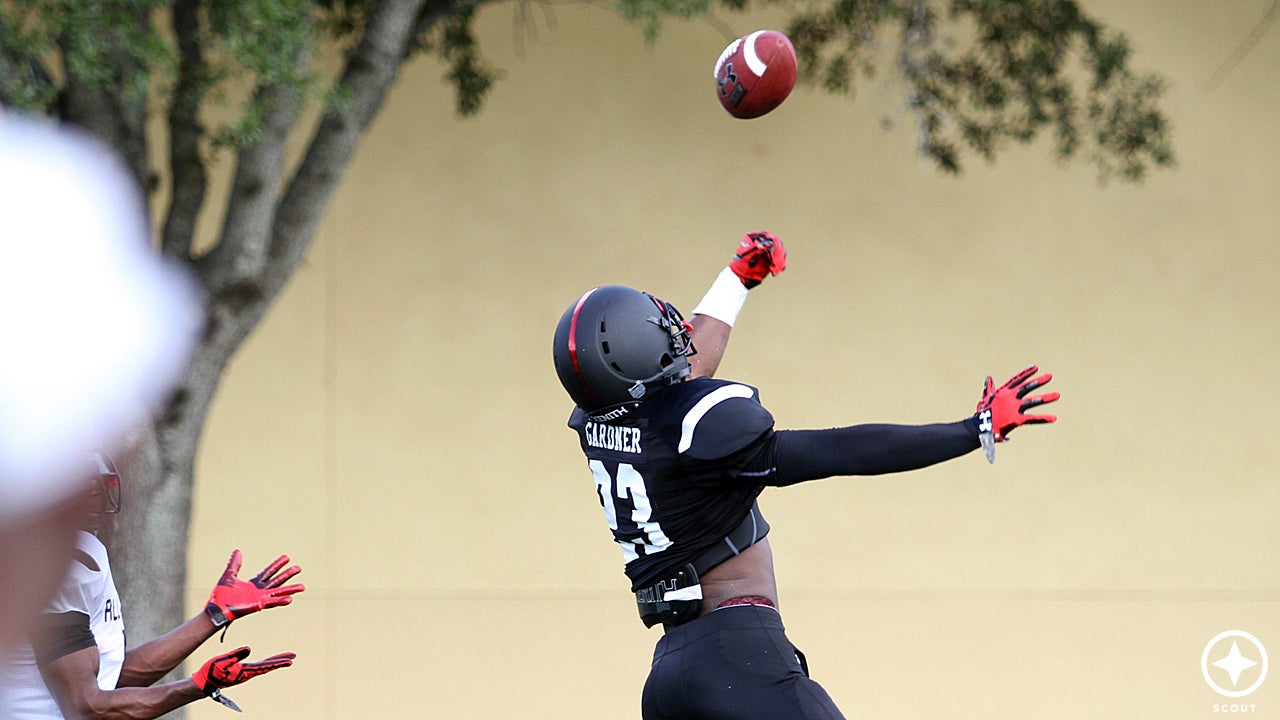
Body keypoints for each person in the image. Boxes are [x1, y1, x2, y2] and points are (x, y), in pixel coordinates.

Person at [551, 233, 1059, 720]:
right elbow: (844, 450)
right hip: (739, 653)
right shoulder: (696, 426)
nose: (676, 334)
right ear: (640, 353)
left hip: (669, 674)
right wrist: (972, 430)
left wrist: (735, 281)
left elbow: (682, 375)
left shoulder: (607, 423)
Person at [0, 112, 200, 659]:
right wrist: (211, 622)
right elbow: (90, 702)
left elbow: (106, 679)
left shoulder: (89, 562)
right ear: (68, 501)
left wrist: (203, 651)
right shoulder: (73, 569)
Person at [0, 451, 303, 718]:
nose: (95, 498)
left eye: (101, 487)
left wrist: (214, 616)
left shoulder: (86, 552)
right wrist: (196, 686)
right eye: (85, 488)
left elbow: (111, 676)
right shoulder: (57, 566)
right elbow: (86, 707)